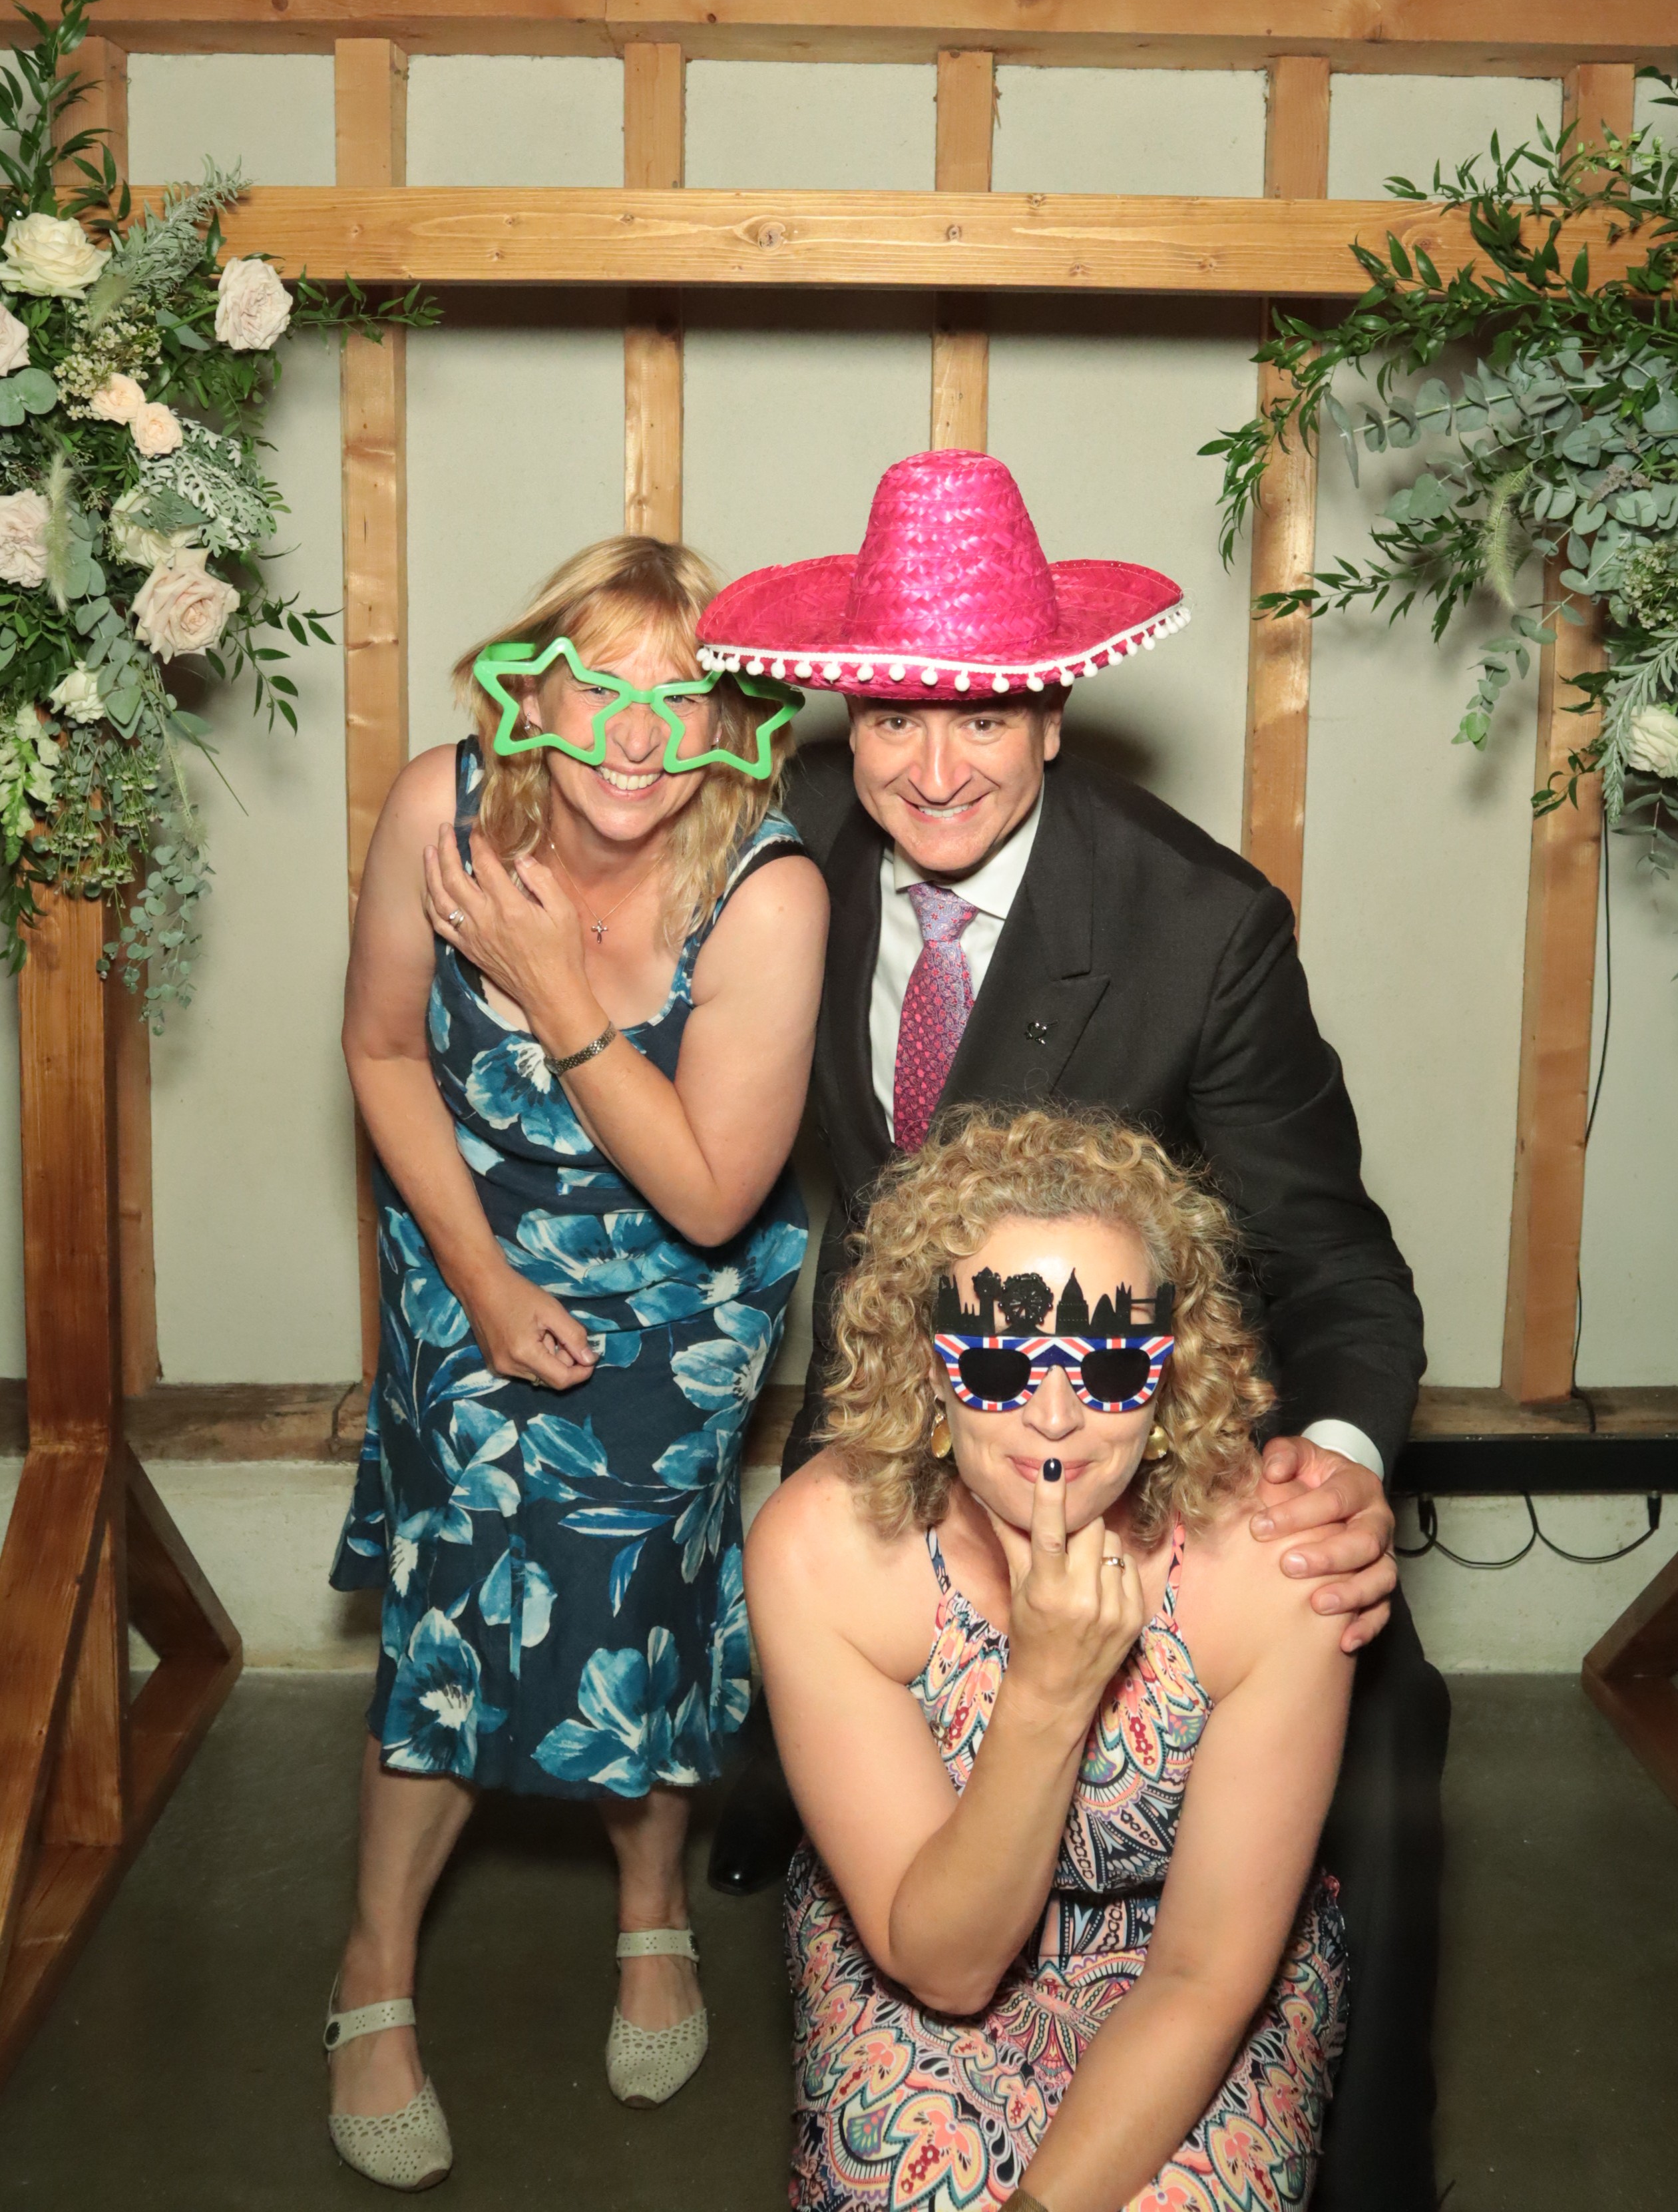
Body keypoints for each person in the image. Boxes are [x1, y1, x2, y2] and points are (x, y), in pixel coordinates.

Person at [700, 451, 1446, 2212]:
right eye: (894, 717)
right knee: (820, 1680)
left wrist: (1339, 1467)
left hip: (1140, 1432)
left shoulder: (1200, 928)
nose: (931, 766)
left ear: (1052, 715)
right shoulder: (784, 859)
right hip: (897, 1416)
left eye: (981, 715)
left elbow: (1336, 1264)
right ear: (847, 718)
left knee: (1388, 1740)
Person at [324, 536, 828, 2185]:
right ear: (525, 694)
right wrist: (474, 1281)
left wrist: (551, 987)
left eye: (678, 703)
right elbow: (381, 1049)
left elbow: (709, 1193)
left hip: (679, 1286)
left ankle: (650, 1906)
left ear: (728, 728)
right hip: (463, 1239)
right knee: (455, 1594)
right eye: (597, 690)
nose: (633, 739)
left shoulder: (769, 888)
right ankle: (373, 1966)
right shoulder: (442, 807)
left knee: (642, 1597)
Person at [747, 1103, 1355, 2212]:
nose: (1059, 1416)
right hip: (924, 1943)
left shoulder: (1278, 1559)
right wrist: (1046, 1688)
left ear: (1170, 1377)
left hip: (1192, 1963)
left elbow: (1203, 1976)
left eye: (1112, 1365)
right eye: (998, 1364)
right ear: (928, 1372)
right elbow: (946, 1967)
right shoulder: (822, 1549)